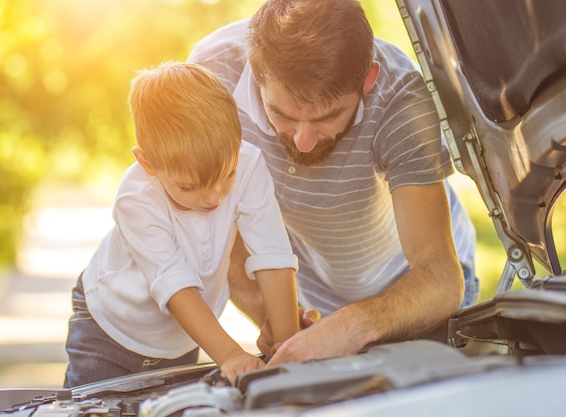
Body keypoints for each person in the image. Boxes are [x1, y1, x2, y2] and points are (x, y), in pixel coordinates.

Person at [187, 0, 479, 365]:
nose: (303, 141)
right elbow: (210, 229)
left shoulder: (399, 100)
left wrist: (354, 325)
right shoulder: (211, 78)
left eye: (328, 117)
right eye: (282, 115)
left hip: (409, 295)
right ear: (255, 71)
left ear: (367, 80)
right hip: (315, 297)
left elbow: (439, 277)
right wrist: (276, 316)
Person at [63, 62, 300, 387]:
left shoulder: (248, 164)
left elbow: (272, 253)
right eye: (189, 187)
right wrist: (230, 354)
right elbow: (176, 285)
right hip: (110, 330)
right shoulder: (136, 199)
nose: (214, 198)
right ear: (148, 163)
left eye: (227, 175)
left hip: (182, 338)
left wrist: (288, 347)